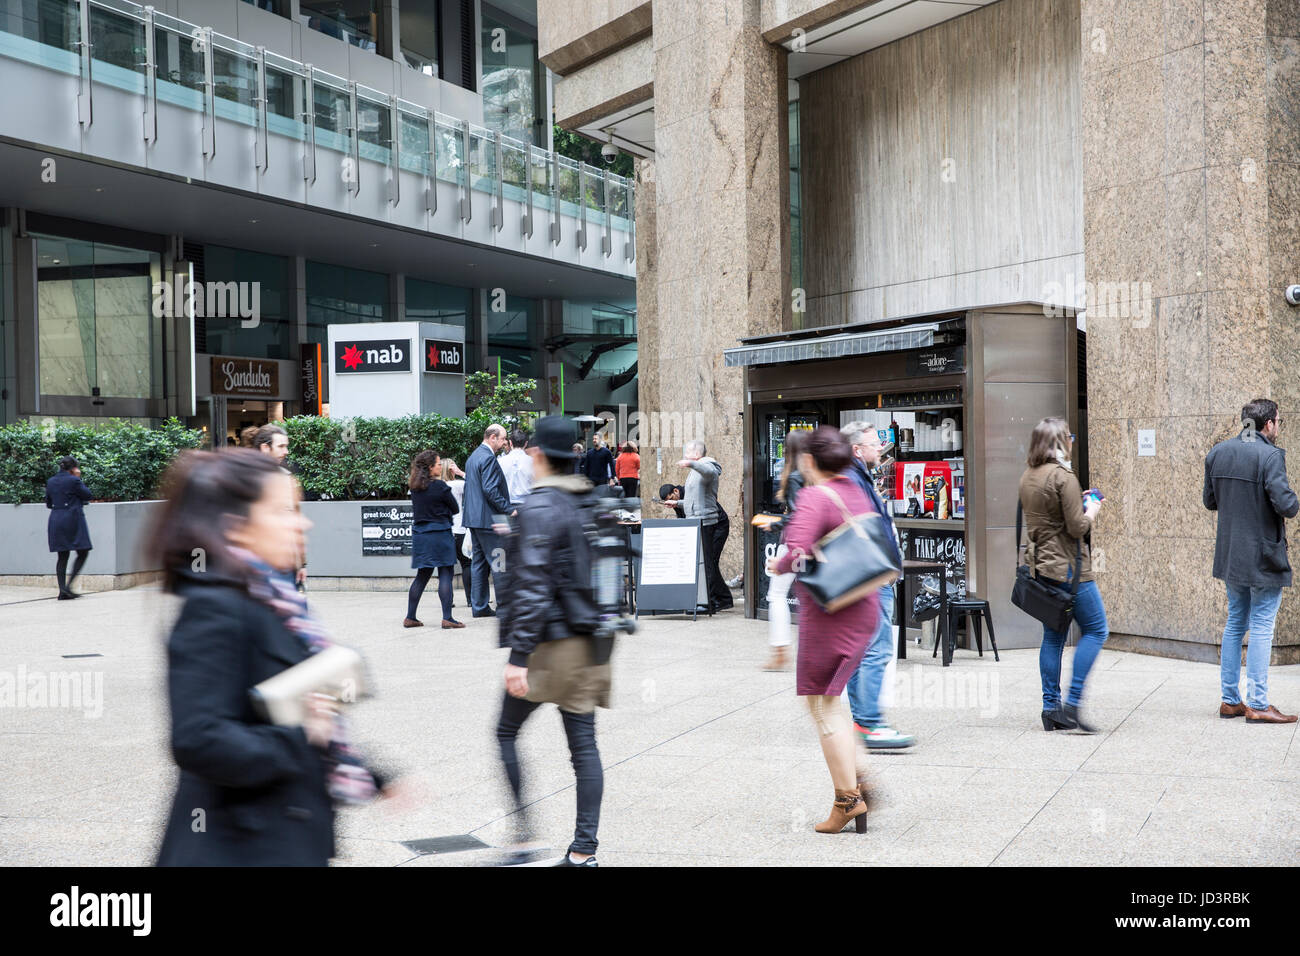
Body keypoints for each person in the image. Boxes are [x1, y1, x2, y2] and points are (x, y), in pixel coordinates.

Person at [149, 450, 396, 865]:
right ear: (238, 527)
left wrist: (374, 775)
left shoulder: (275, 602)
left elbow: (290, 709)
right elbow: (198, 739)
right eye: (284, 511)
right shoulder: (215, 606)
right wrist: (302, 737)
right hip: (238, 847)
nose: (303, 522)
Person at [495, 416, 609, 867]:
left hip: (551, 645)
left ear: (538, 454)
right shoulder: (587, 499)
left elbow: (534, 587)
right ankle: (584, 852)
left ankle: (523, 839)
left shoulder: (540, 507)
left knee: (505, 731)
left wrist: (518, 657)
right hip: (590, 641)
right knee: (584, 747)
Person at [769, 426, 879, 834]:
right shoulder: (855, 487)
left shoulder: (816, 495)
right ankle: (861, 776)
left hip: (831, 615)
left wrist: (776, 565)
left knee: (822, 706)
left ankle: (848, 800)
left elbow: (796, 552)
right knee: (834, 702)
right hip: (862, 605)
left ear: (808, 461)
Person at [1204, 398, 1298, 723]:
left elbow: (1209, 501)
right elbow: (1286, 505)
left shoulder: (1218, 453)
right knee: (1260, 625)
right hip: (1263, 555)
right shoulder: (1270, 455)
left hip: (1232, 554)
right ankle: (1258, 703)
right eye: (1278, 422)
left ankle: (1231, 700)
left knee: (1235, 622)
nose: (1278, 428)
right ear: (1268, 424)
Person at [1019, 417, 1108, 733]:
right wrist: (1092, 508)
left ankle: (1050, 708)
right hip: (1070, 570)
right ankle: (1072, 704)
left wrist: (1073, 503)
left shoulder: (1029, 475)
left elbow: (1050, 517)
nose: (1072, 439)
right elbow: (1077, 527)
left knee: (1053, 635)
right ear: (1059, 442)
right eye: (1068, 435)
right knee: (1097, 629)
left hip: (1042, 566)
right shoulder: (1063, 476)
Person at [842, 423, 913, 750]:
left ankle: (863, 720)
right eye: (874, 444)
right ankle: (870, 722)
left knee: (864, 649)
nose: (880, 449)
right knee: (878, 647)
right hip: (871, 579)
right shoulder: (854, 479)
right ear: (858, 449)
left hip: (866, 577)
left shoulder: (856, 476)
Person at [756, 430, 807, 671]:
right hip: (812, 543)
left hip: (793, 543)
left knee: (776, 594)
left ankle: (780, 651)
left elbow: (799, 514)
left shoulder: (795, 476)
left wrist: (774, 523)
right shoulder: (813, 473)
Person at [405, 449, 464, 630]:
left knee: (422, 575)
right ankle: (447, 618)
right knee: (446, 573)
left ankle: (410, 617)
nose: (440, 466)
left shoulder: (415, 487)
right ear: (431, 467)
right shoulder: (440, 487)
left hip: (421, 535)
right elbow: (455, 508)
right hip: (440, 534)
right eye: (438, 464)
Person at [462, 423, 512, 617]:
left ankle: (480, 607)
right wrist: (508, 509)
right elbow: (490, 489)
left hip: (474, 519)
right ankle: (504, 608)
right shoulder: (489, 458)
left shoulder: (473, 457)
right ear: (492, 437)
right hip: (490, 519)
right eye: (502, 439)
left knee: (479, 564)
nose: (504, 443)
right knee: (499, 563)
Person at [678, 440, 732, 612]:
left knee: (708, 563)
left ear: (696, 454)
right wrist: (677, 503)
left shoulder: (707, 465)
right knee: (706, 562)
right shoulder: (695, 470)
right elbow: (694, 498)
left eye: (687, 451)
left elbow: (708, 472)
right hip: (695, 519)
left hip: (705, 521)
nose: (685, 454)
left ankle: (708, 602)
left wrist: (691, 463)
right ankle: (720, 598)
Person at [254, 423, 307, 591]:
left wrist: (301, 564)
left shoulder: (287, 479)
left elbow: (295, 524)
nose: (286, 451)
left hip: (286, 567)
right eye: (281, 446)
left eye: (286, 446)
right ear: (265, 448)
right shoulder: (246, 479)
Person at [45, 456, 93, 600]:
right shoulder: (74, 480)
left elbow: (48, 503)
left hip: (55, 519)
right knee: (83, 551)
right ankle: (68, 586)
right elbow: (88, 495)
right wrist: (78, 478)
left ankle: (62, 590)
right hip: (73, 519)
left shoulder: (51, 481)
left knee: (62, 555)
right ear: (73, 468)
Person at [440, 458, 472, 610]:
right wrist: (460, 472)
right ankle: (471, 599)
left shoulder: (437, 486)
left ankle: (448, 601)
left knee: (447, 568)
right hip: (459, 530)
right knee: (467, 564)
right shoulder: (458, 484)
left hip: (445, 531)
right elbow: (475, 483)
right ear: (451, 470)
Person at [499, 428, 534, 507]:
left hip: (506, 507)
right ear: (526, 443)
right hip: (527, 506)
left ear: (510, 443)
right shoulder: (532, 462)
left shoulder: (500, 462)